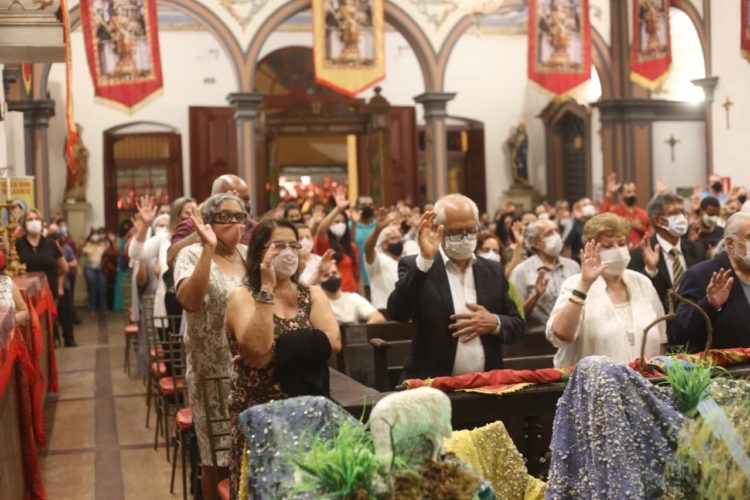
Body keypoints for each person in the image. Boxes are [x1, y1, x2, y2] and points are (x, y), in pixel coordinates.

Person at [224, 218, 340, 498]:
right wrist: (266, 289)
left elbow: (333, 342)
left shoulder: (311, 294)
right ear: (259, 252)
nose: (288, 253)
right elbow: (256, 347)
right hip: (261, 415)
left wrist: (276, 351)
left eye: (293, 246)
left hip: (308, 410)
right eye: (279, 246)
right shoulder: (243, 296)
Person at [387, 194, 524, 379]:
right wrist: (425, 261)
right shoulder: (417, 267)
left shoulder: (492, 270)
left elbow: (517, 325)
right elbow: (398, 312)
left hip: (486, 384)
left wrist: (495, 323)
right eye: (457, 231)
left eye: (471, 230)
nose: (466, 237)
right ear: (438, 229)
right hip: (433, 383)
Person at [174, 193, 249, 500]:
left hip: (249, 369)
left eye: (239, 217)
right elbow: (190, 301)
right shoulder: (190, 255)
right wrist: (208, 248)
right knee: (215, 457)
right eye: (225, 217)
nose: (234, 223)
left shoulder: (248, 254)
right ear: (208, 222)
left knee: (248, 450)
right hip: (211, 371)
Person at [546, 213, 666, 368]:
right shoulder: (575, 284)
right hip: (592, 381)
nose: (617, 250)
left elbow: (660, 341)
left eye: (621, 244)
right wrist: (584, 284)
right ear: (590, 248)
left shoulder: (642, 282)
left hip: (644, 380)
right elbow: (561, 334)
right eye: (608, 246)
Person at [628, 193, 706, 344]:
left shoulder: (697, 249)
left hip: (695, 331)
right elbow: (638, 296)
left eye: (682, 212)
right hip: (659, 332)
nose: (681, 218)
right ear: (658, 220)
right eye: (674, 213)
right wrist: (651, 270)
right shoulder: (640, 253)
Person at [674, 212, 750, 352]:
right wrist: (710, 305)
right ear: (730, 243)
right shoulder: (699, 275)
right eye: (749, 237)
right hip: (724, 365)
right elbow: (681, 334)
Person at [510, 219, 580, 337]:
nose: (556, 236)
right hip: (537, 339)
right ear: (536, 243)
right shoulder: (521, 272)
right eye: (549, 233)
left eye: (556, 231)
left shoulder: (573, 266)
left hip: (571, 337)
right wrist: (535, 296)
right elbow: (516, 317)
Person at [168, 174, 255, 268]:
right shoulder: (192, 224)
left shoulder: (254, 227)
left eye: (246, 199)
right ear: (213, 199)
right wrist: (203, 232)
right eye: (231, 198)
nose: (241, 204)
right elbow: (171, 259)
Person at [16, 209, 68, 311]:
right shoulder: (18, 244)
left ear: (41, 222)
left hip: (50, 292)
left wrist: (59, 285)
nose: (34, 221)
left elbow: (64, 268)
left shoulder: (51, 243)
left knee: (49, 320)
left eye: (37, 219)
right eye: (30, 219)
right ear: (24, 224)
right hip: (27, 295)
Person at [314, 187, 361, 294]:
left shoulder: (352, 247)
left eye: (343, 221)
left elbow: (357, 275)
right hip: (331, 295)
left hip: (352, 294)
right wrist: (338, 209)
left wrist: (362, 297)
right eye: (336, 221)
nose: (340, 224)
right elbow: (321, 229)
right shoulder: (324, 244)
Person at [318, 261, 385, 324]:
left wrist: (360, 330)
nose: (331, 276)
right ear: (319, 280)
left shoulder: (353, 298)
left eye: (334, 273)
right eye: (326, 275)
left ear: (340, 274)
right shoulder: (317, 303)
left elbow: (378, 318)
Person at [364, 208, 404, 310]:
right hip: (384, 310)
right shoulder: (378, 259)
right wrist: (377, 231)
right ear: (384, 244)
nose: (398, 242)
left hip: (403, 312)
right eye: (393, 238)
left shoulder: (405, 262)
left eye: (399, 238)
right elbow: (368, 248)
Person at [47, 224, 78, 347]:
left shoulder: (66, 248)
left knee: (66, 315)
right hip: (51, 287)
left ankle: (69, 339)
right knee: (52, 316)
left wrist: (63, 264)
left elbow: (72, 264)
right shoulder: (48, 250)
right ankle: (54, 340)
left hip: (65, 286)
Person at [600, 173, 650, 247]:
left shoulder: (643, 213)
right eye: (628, 192)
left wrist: (640, 228)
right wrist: (609, 192)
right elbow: (602, 219)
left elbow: (651, 236)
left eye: (634, 191)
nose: (632, 194)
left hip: (640, 249)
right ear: (620, 195)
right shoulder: (614, 211)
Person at [350, 194, 376, 297]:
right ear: (357, 208)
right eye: (363, 205)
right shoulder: (350, 226)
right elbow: (350, 246)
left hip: (377, 280)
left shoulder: (379, 225)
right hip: (359, 280)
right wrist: (353, 224)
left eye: (370, 204)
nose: (367, 207)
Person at [80, 227, 110, 312]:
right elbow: (82, 252)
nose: (96, 236)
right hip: (90, 268)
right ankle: (92, 307)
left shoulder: (105, 244)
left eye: (98, 234)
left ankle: (103, 307)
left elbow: (112, 251)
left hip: (102, 268)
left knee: (102, 288)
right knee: (92, 288)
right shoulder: (88, 244)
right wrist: (85, 242)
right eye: (94, 234)